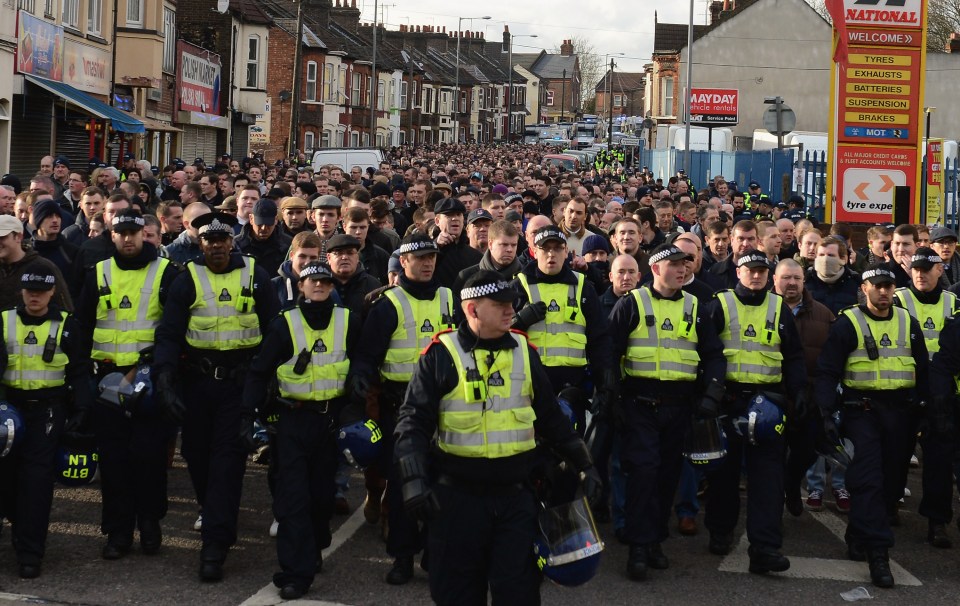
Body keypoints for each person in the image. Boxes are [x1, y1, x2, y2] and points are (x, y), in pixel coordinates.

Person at [393, 269, 602, 604]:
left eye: (512, 303)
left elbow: (551, 419)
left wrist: (585, 464)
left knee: (518, 593)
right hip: (457, 501)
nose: (511, 310)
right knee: (457, 594)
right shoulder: (440, 355)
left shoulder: (524, 350)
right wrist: (413, 480)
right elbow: (412, 424)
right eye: (501, 304)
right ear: (472, 310)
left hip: (515, 500)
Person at [153, 211, 280, 581]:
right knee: (196, 454)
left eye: (223, 240)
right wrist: (163, 377)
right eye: (209, 241)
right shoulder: (186, 278)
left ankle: (215, 546)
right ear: (201, 243)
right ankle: (215, 514)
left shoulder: (255, 275)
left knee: (227, 461)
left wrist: (267, 377)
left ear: (233, 241)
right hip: (198, 384)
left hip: (240, 386)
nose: (217, 247)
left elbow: (275, 328)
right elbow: (170, 334)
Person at [242, 262, 360, 600]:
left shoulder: (348, 320)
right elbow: (259, 372)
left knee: (322, 498)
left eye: (325, 281)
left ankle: (314, 544)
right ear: (301, 284)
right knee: (293, 500)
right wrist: (245, 415)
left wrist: (360, 378)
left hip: (331, 422)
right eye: (313, 281)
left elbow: (363, 357)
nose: (320, 286)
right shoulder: (284, 324)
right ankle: (295, 573)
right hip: (293, 421)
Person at [607, 244, 725, 581]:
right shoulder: (631, 304)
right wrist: (612, 395)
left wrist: (711, 393)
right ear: (656, 269)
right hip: (640, 404)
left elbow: (713, 354)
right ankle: (639, 547)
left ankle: (654, 539)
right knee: (643, 473)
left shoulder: (697, 307)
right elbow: (610, 351)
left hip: (680, 406)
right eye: (674, 265)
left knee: (666, 477)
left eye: (684, 264)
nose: (681, 269)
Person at [351, 233, 456, 584]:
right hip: (402, 408)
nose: (427, 264)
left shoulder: (449, 298)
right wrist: (362, 378)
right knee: (402, 486)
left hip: (447, 406)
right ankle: (402, 556)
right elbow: (368, 355)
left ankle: (433, 550)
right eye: (420, 258)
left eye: (432, 258)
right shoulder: (387, 305)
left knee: (445, 483)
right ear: (404, 263)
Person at [814, 265, 928, 588]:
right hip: (862, 412)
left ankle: (857, 531)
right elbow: (827, 372)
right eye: (877, 285)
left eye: (889, 286)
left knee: (891, 485)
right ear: (864, 288)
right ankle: (879, 555)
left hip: (901, 415)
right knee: (868, 480)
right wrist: (825, 413)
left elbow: (924, 371)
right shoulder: (849, 323)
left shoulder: (908, 322)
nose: (883, 291)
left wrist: (928, 410)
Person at [76, 209, 180, 560]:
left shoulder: (167, 272)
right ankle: (118, 531)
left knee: (149, 460)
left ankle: (150, 523)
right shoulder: (98, 273)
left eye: (135, 232)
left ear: (147, 233)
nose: (129, 238)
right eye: (121, 232)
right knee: (114, 462)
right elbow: (83, 326)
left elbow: (174, 330)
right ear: (112, 235)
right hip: (106, 382)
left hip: (149, 383)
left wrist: (163, 372)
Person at [705, 249, 806, 573]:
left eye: (763, 270)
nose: (758, 275)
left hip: (769, 405)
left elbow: (793, 356)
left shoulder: (779, 308)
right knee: (723, 476)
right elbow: (706, 353)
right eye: (752, 270)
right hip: (728, 402)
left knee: (768, 482)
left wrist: (800, 391)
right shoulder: (720, 305)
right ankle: (720, 531)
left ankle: (764, 549)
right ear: (739, 271)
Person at [0, 266, 93, 578]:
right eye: (30, 291)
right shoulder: (4, 321)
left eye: (41, 291)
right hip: (8, 412)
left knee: (36, 484)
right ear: (22, 292)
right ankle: (16, 530)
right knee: (6, 481)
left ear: (53, 292)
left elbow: (79, 371)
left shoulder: (67, 325)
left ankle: (30, 553)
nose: (35, 296)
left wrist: (82, 410)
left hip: (48, 413)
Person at [512, 225, 614, 431]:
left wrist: (604, 386)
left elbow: (599, 339)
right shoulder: (519, 286)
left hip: (572, 387)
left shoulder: (583, 285)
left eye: (557, 248)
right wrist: (520, 321)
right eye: (545, 248)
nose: (551, 254)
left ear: (566, 252)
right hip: (529, 387)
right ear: (534, 251)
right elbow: (498, 335)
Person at [892, 248, 959, 548]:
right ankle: (889, 504)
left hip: (943, 397)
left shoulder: (954, 303)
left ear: (939, 271)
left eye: (926, 269)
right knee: (894, 456)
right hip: (904, 391)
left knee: (939, 463)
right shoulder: (897, 300)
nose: (919, 273)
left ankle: (937, 522)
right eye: (915, 268)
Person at [773, 259, 837, 517]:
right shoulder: (765, 309)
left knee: (807, 452)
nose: (791, 283)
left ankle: (792, 482)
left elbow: (832, 357)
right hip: (773, 397)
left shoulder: (823, 314)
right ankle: (774, 507)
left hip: (809, 398)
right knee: (772, 459)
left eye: (796, 278)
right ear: (774, 280)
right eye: (786, 277)